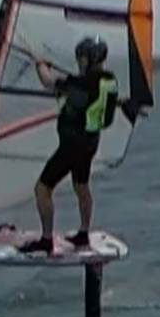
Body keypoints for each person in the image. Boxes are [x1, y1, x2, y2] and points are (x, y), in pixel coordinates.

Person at [20, 34, 136, 253]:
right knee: (81, 186)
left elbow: (48, 82)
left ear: (90, 59)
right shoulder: (109, 80)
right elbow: (101, 99)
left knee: (42, 188)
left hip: (72, 146)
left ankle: (46, 240)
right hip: (90, 142)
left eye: (81, 58)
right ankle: (83, 234)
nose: (79, 62)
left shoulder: (80, 83)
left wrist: (40, 64)